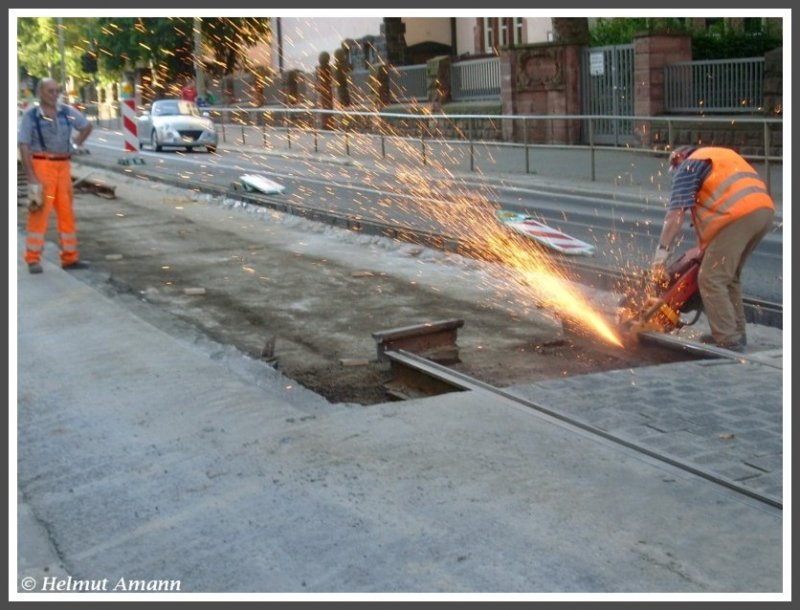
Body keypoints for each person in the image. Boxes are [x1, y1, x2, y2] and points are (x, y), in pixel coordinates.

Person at [650, 145, 775, 352]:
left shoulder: (687, 166)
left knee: (710, 278)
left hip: (737, 216)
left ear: (678, 159)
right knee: (729, 276)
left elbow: (675, 215)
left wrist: (660, 256)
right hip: (764, 212)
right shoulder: (720, 157)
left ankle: (728, 340)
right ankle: (736, 332)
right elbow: (721, 204)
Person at [18, 77, 93, 274]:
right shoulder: (31, 116)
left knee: (66, 213)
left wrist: (75, 144)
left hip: (63, 167)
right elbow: (24, 145)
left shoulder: (67, 113)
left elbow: (86, 126)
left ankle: (70, 258)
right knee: (39, 212)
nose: (54, 94)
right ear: (40, 93)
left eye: (56, 90)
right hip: (42, 166)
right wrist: (31, 176)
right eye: (50, 91)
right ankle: (33, 258)